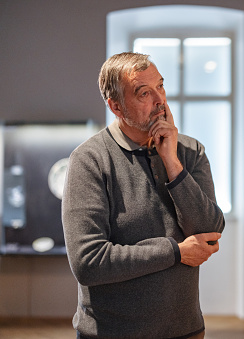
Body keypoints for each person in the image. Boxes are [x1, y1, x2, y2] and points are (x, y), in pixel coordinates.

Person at [62, 52, 225, 339]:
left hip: (185, 331)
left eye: (160, 86)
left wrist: (172, 163)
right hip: (112, 333)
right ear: (116, 106)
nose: (160, 100)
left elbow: (209, 231)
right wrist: (175, 252)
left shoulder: (189, 151)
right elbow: (88, 262)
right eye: (144, 93)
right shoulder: (89, 160)